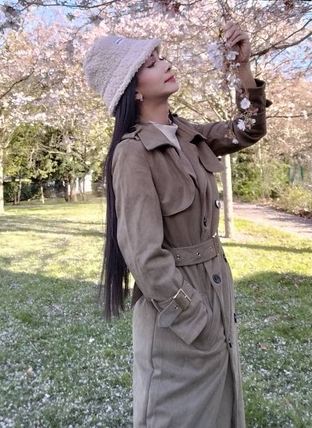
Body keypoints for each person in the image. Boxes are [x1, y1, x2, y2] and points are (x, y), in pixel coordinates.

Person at [84, 24, 270, 428]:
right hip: (177, 320)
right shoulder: (132, 153)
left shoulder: (187, 135)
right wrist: (195, 317)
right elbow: (144, 256)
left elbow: (247, 129)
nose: (166, 64)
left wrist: (243, 68)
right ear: (133, 90)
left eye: (161, 57)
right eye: (151, 63)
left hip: (215, 293)